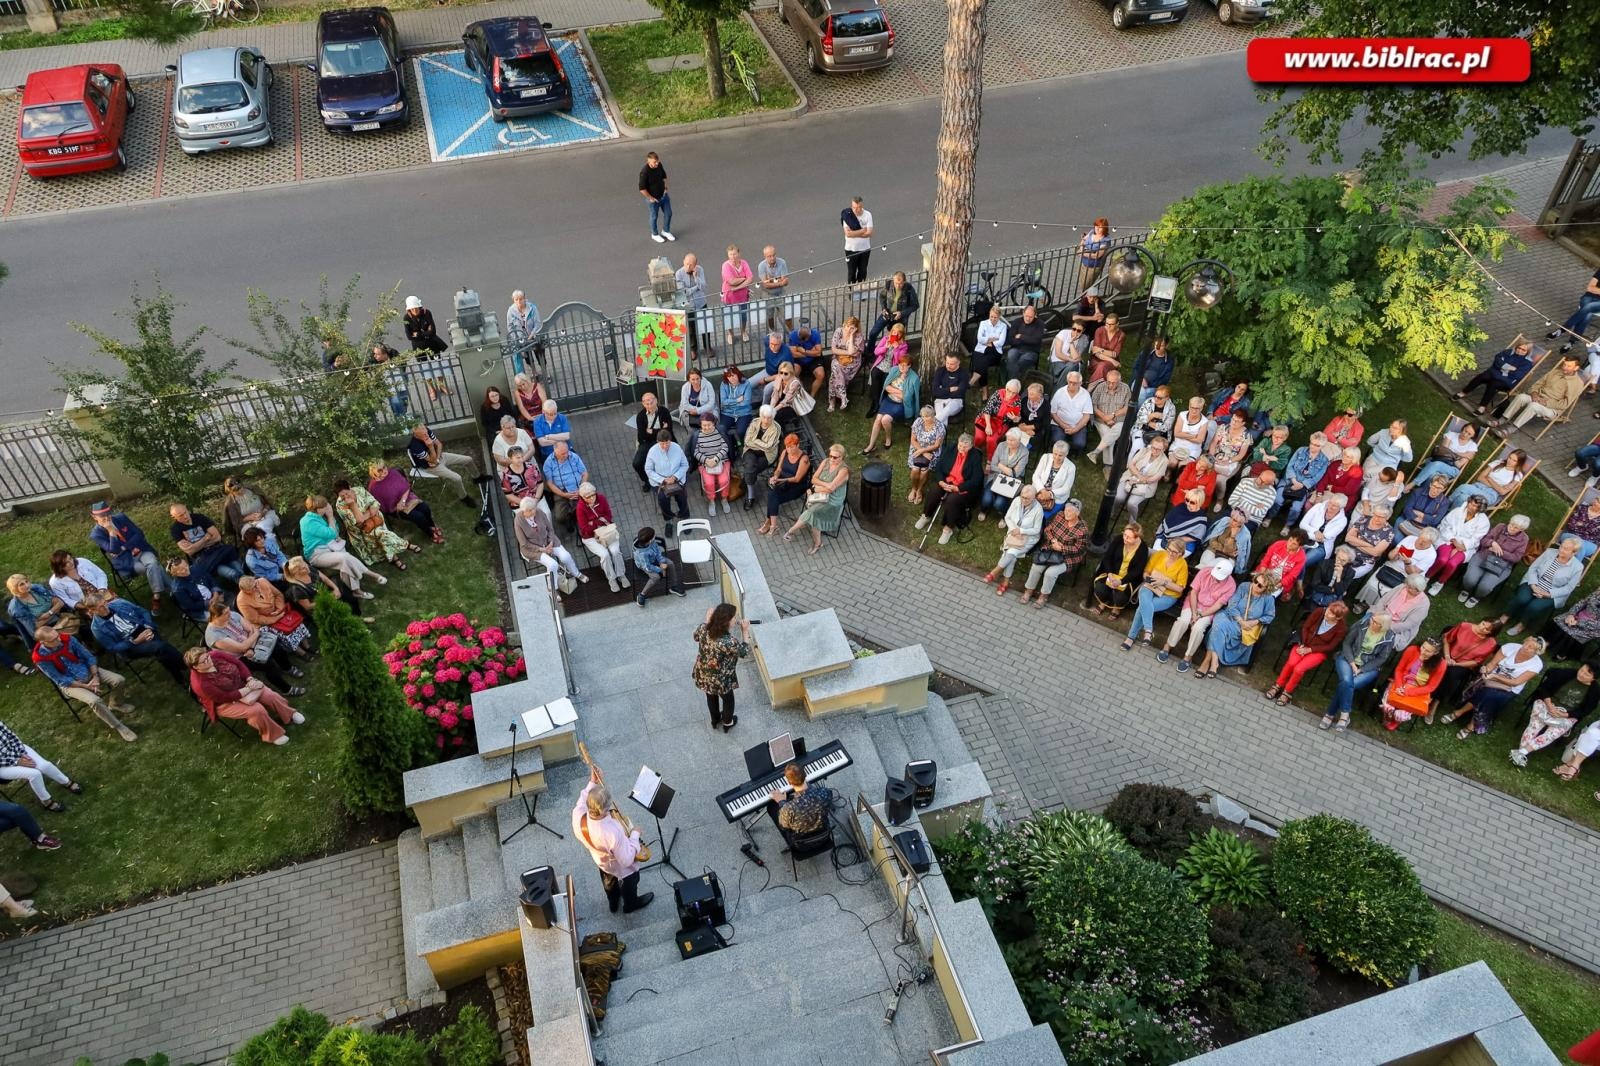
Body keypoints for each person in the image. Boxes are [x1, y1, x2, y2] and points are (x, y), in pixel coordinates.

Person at [32, 625, 136, 742]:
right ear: (43, 642)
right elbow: (60, 679)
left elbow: (88, 656)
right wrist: (86, 686)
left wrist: (95, 676)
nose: (59, 640)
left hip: (88, 670)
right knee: (95, 701)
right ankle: (119, 727)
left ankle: (115, 704)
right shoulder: (40, 658)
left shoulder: (68, 639)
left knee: (119, 680)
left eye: (57, 636)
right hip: (71, 683)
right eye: (54, 640)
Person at [574, 765, 655, 914]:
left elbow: (584, 796)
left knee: (609, 881)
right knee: (631, 881)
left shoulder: (578, 815)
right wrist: (635, 835)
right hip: (620, 866)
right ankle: (630, 904)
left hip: (601, 861)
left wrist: (593, 781)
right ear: (605, 810)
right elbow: (626, 859)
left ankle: (613, 902)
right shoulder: (612, 831)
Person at [186, 647, 303, 746]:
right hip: (224, 703)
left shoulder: (215, 654)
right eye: (204, 661)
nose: (208, 660)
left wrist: (249, 678)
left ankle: (289, 714)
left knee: (270, 695)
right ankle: (272, 735)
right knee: (256, 710)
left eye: (207, 656)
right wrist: (249, 688)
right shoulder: (201, 684)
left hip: (242, 683)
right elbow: (225, 697)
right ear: (195, 667)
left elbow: (238, 663)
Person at [1442, 635, 1546, 739]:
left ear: (1536, 652)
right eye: (1526, 643)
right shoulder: (1509, 647)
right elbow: (1492, 664)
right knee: (1485, 690)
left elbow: (1516, 682)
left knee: (1489, 695)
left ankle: (1460, 715)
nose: (1526, 647)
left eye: (1531, 648)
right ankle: (1469, 723)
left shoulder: (1536, 664)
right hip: (1491, 677)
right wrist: (1486, 670)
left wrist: (1495, 677)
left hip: (1510, 687)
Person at [205, 593, 304, 694]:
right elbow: (241, 648)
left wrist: (251, 644)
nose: (230, 614)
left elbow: (252, 629)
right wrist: (253, 638)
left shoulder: (232, 615)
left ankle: (287, 668)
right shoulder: (214, 635)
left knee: (276, 647)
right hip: (239, 657)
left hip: (251, 645)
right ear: (216, 617)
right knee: (268, 664)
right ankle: (287, 689)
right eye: (226, 613)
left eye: (229, 611)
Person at [83, 592, 186, 685]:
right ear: (92, 610)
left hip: (144, 629)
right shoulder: (97, 627)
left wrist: (148, 626)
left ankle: (179, 676)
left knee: (161, 650)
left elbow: (143, 612)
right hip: (130, 646)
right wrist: (134, 641)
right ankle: (186, 665)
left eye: (105, 602)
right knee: (161, 646)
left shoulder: (119, 603)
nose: (105, 607)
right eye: (100, 607)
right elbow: (112, 647)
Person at [1509, 663, 1598, 766]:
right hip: (1546, 704)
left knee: (1552, 734)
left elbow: (1586, 710)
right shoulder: (1565, 674)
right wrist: (1549, 705)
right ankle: (1522, 752)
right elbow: (1544, 688)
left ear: (1593, 679)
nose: (1581, 674)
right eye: (1581, 670)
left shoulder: (1594, 691)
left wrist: (1565, 714)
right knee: (1534, 726)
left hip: (1566, 714)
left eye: (1586, 674)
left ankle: (1522, 751)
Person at [1320, 612, 1396, 732]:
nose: (1371, 622)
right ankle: (1345, 714)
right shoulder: (1361, 624)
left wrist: (1362, 669)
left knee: (1347, 685)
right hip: (1347, 658)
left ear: (1382, 627)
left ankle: (1330, 713)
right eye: (1372, 619)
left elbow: (1381, 659)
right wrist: (1352, 664)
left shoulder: (1389, 637)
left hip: (1368, 667)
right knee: (1346, 681)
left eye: (1375, 622)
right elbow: (1347, 643)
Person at [1157, 558, 1236, 673]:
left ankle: (1188, 657)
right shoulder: (1204, 572)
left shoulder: (1231, 585)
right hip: (1193, 603)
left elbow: (1218, 605)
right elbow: (1194, 592)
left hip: (1209, 610)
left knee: (1198, 628)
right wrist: (1194, 613)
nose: (1215, 578)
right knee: (1183, 621)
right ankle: (1168, 646)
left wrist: (1201, 615)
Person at [1266, 601, 1350, 704]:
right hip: (1303, 643)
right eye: (1328, 609)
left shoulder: (1341, 628)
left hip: (1319, 651)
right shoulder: (1319, 611)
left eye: (1331, 613)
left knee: (1298, 669)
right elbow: (1305, 627)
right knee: (1292, 663)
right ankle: (1278, 685)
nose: (1327, 613)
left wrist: (1310, 650)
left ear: (1338, 618)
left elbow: (1331, 646)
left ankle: (1287, 691)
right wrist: (1303, 643)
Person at [1499, 536, 1585, 636]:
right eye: (1561, 546)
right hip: (1534, 582)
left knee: (1534, 606)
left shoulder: (1578, 567)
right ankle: (1505, 616)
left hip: (1552, 593)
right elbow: (1533, 568)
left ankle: (1521, 624)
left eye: (1566, 549)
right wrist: (1533, 585)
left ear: (1573, 552)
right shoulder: (1549, 552)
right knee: (1522, 598)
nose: (1561, 550)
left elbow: (1569, 588)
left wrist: (1547, 594)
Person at [1197, 572, 1278, 677]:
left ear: (1266, 589)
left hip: (1245, 626)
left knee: (1216, 630)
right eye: (1255, 581)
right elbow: (1232, 604)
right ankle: (1212, 663)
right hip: (1230, 616)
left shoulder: (1268, 599)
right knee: (1219, 624)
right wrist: (1240, 620)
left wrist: (1255, 621)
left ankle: (1207, 661)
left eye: (1260, 585)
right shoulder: (1244, 586)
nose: (1255, 585)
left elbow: (1269, 616)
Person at [300, 496, 381, 599]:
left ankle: (356, 591)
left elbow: (335, 530)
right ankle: (370, 574)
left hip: (329, 546)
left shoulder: (320, 516)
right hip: (316, 555)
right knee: (344, 557)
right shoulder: (308, 522)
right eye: (326, 506)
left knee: (345, 561)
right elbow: (332, 533)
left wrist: (331, 519)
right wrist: (330, 516)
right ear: (319, 509)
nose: (328, 508)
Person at [88, 503, 165, 611]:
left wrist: (124, 547)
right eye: (102, 516)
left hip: (140, 550)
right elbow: (114, 550)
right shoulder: (96, 534)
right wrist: (111, 532)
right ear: (94, 516)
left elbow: (139, 533)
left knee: (152, 564)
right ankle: (173, 589)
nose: (106, 518)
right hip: (125, 560)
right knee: (152, 567)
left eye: (108, 514)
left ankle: (156, 596)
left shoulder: (121, 518)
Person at [1122, 535, 1189, 648]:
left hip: (1168, 595)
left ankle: (1131, 637)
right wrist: (1150, 579)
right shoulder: (1159, 555)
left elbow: (1179, 588)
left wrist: (1163, 582)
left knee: (1142, 607)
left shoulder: (1182, 565)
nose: (1171, 553)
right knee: (1144, 596)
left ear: (1181, 553)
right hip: (1151, 586)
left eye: (1175, 552)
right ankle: (1148, 630)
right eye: (1169, 549)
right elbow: (1146, 572)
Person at [693, 602, 752, 731]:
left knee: (710, 696)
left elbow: (696, 637)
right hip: (721, 679)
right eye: (734, 618)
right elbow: (743, 652)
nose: (736, 620)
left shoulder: (703, 628)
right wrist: (745, 631)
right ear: (726, 622)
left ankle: (715, 720)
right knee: (728, 699)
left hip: (703, 673)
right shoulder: (729, 642)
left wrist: (707, 622)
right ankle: (727, 722)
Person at [917, 434, 984, 546]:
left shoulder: (975, 456)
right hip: (947, 480)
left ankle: (948, 529)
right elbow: (939, 467)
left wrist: (958, 487)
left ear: (971, 446)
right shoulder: (951, 448)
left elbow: (977, 479)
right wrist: (941, 482)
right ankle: (926, 515)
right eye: (960, 446)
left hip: (962, 486)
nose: (961, 449)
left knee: (952, 500)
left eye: (965, 447)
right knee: (934, 491)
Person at [1020, 498, 1089, 607]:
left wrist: (1062, 548)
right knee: (1036, 566)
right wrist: (1053, 541)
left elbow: (1078, 549)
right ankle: (1029, 590)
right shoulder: (1060, 515)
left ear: (1078, 513)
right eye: (1066, 509)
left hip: (1068, 556)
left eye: (1071, 511)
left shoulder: (1082, 529)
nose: (1067, 512)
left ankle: (1043, 596)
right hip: (1051, 548)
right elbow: (1048, 530)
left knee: (1050, 573)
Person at [0, 719, 80, 811]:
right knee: (34, 774)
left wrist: (21, 752)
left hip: (17, 751)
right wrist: (16, 761)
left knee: (44, 766)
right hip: (2, 766)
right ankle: (46, 801)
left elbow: (11, 736)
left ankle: (66, 782)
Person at [1491, 357, 1585, 434]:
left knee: (1533, 406)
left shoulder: (1577, 384)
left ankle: (1511, 428)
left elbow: (1565, 404)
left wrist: (1546, 402)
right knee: (1521, 397)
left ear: (1576, 368)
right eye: (1564, 364)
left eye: (1569, 366)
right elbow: (1538, 383)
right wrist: (1534, 393)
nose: (1564, 367)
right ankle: (1502, 419)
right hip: (1538, 397)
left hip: (1552, 408)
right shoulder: (1555, 372)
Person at [335, 480, 415, 569]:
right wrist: (353, 505)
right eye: (342, 496)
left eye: (346, 493)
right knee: (381, 534)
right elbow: (359, 522)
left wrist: (368, 513)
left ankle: (395, 556)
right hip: (362, 530)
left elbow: (374, 503)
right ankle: (404, 547)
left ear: (349, 487)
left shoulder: (359, 490)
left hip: (375, 519)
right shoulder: (340, 506)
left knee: (381, 534)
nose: (346, 497)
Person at [787, 445, 850, 554]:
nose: (832, 459)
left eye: (835, 457)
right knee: (813, 514)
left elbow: (831, 489)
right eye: (830, 456)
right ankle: (817, 543)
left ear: (842, 457)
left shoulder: (843, 470)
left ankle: (791, 531)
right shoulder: (826, 462)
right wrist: (824, 485)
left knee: (811, 512)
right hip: (821, 495)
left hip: (833, 500)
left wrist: (817, 488)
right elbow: (813, 479)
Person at [1459, 514, 1532, 608]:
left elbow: (1516, 557)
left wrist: (1500, 552)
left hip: (1501, 565)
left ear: (1521, 530)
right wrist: (1492, 543)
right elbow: (1484, 540)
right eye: (1511, 524)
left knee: (1485, 587)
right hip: (1483, 556)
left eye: (1516, 527)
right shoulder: (1500, 527)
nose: (1512, 528)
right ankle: (1466, 590)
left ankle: (1477, 596)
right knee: (1470, 579)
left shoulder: (1524, 539)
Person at [1434, 619, 1503, 717]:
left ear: (1491, 633)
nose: (1482, 628)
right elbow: (1447, 639)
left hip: (1464, 665)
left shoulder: (1491, 643)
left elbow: (1476, 662)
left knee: (1451, 674)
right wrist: (1447, 656)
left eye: (1487, 629)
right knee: (1439, 666)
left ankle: (1435, 702)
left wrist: (1456, 664)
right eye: (1483, 623)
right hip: (1447, 654)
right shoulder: (1464, 626)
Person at [984, 486, 1044, 595]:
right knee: (1011, 556)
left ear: (1034, 498)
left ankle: (994, 572)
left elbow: (1036, 530)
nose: (1024, 500)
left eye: (1027, 498)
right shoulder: (1017, 501)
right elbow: (1007, 517)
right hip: (1013, 534)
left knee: (1010, 553)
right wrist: (1013, 530)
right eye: (1022, 497)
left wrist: (1021, 531)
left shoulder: (1038, 509)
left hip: (1028, 538)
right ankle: (1005, 583)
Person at [1377, 637, 1447, 730]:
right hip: (1402, 682)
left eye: (1428, 651)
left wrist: (1408, 692)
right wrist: (1399, 686)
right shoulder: (1412, 650)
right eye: (1423, 647)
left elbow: (1431, 687)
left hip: (1418, 690)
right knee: (1388, 705)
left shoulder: (1441, 664)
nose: (1423, 652)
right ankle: (1388, 716)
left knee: (1401, 714)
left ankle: (1396, 720)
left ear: (1435, 653)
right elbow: (1399, 670)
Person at [1426, 496, 1492, 594]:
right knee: (1442, 559)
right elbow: (1444, 526)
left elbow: (1476, 539)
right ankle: (1427, 577)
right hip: (1448, 540)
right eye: (1470, 503)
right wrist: (1454, 540)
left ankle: (1440, 583)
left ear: (1479, 509)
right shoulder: (1457, 511)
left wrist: (1461, 546)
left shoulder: (1484, 522)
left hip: (1465, 547)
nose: (1470, 506)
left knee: (1452, 563)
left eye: (1474, 506)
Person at [513, 497, 585, 585]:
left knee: (565, 556)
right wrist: (542, 549)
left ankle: (576, 573)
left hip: (549, 542)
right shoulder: (518, 521)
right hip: (533, 549)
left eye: (534, 509)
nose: (534, 512)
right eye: (530, 510)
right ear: (524, 511)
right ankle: (553, 588)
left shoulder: (539, 512)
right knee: (552, 565)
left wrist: (550, 542)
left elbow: (550, 529)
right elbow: (524, 543)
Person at [368, 460, 441, 546]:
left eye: (384, 467)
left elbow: (406, 487)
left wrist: (402, 500)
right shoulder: (374, 488)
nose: (384, 470)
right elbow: (384, 506)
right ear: (374, 473)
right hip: (395, 508)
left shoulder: (393, 473)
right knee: (419, 517)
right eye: (380, 470)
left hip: (407, 498)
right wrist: (398, 506)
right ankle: (431, 534)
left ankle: (432, 526)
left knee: (425, 507)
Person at [235, 576, 313, 656]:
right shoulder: (242, 601)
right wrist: (275, 618)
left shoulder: (262, 581)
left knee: (295, 622)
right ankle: (301, 653)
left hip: (278, 610)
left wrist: (279, 609)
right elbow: (255, 619)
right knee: (282, 633)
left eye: (256, 584)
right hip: (265, 622)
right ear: (245, 591)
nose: (257, 587)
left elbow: (278, 594)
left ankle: (307, 646)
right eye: (253, 588)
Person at [168, 503, 243, 586]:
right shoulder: (175, 529)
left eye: (185, 512)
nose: (185, 516)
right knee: (232, 573)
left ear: (186, 508)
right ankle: (248, 585)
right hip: (203, 557)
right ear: (174, 517)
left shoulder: (199, 518)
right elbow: (190, 551)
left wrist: (195, 546)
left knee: (239, 570)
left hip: (217, 549)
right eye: (180, 516)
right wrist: (206, 537)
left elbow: (217, 537)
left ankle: (246, 584)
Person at [575, 483, 629, 593]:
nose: (592, 498)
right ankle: (611, 578)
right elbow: (585, 528)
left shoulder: (601, 498)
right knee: (605, 555)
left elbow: (608, 516)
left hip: (607, 531)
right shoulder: (580, 508)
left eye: (593, 495)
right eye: (588, 497)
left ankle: (621, 574)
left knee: (615, 551)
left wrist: (593, 523)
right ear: (582, 497)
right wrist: (600, 521)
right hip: (591, 537)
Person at [1456, 338, 1535, 414]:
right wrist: (1508, 368)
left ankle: (1482, 407)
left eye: (1523, 350)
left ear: (1527, 352)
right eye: (1519, 348)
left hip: (1506, 382)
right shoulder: (1509, 352)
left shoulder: (1527, 363)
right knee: (1483, 376)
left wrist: (1502, 367)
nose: (1519, 351)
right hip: (1497, 374)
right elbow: (1497, 359)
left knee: (1493, 383)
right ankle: (1463, 392)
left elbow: (1517, 375)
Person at [864, 350, 919, 455]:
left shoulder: (914, 378)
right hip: (889, 400)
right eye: (900, 364)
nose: (901, 367)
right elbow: (886, 386)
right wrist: (900, 392)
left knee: (885, 420)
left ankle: (888, 439)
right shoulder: (894, 370)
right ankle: (871, 445)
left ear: (909, 366)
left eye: (904, 365)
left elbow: (907, 397)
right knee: (878, 419)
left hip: (901, 404)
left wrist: (895, 391)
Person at [407, 423, 477, 505]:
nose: (426, 434)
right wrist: (431, 447)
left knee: (468, 459)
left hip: (438, 457)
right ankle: (464, 497)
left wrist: (437, 457)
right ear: (416, 434)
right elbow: (431, 461)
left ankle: (477, 477)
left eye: (426, 430)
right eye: (424, 434)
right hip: (430, 467)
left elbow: (439, 444)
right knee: (457, 478)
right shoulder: (415, 446)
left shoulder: (426, 431)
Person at [283, 555, 362, 625]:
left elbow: (325, 578)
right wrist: (328, 598)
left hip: (327, 594)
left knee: (348, 595)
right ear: (297, 573)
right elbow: (308, 607)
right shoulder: (296, 589)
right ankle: (350, 623)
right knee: (337, 611)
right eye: (303, 568)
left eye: (305, 564)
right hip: (319, 606)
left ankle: (358, 618)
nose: (307, 567)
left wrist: (336, 589)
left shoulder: (309, 569)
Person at [758, 434, 812, 536]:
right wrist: (775, 476)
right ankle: (772, 525)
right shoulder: (784, 452)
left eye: (792, 447)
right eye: (787, 447)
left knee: (772, 496)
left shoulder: (804, 459)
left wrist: (780, 479)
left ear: (798, 445)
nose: (789, 449)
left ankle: (769, 523)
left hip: (796, 487)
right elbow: (779, 469)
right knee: (772, 494)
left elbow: (797, 479)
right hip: (781, 483)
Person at [1092, 523, 1148, 618]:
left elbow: (1137, 570)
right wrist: (1109, 573)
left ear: (1136, 538)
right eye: (1124, 535)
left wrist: (1121, 581)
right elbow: (1107, 557)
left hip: (1128, 578)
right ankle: (1104, 602)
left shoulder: (1143, 549)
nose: (1125, 538)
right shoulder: (1118, 540)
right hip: (1112, 573)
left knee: (1121, 597)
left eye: (1129, 537)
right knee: (1100, 588)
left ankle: (1117, 608)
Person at [402, 296, 451, 400]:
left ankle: (441, 386)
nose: (415, 310)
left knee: (437, 364)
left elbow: (433, 331)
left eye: (417, 308)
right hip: (419, 348)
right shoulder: (406, 318)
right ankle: (431, 389)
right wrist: (425, 332)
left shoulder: (427, 312)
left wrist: (418, 334)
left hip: (432, 344)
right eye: (413, 308)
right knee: (425, 369)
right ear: (409, 309)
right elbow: (409, 336)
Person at [1114, 436, 1171, 522]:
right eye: (1153, 447)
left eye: (1158, 449)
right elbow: (1131, 465)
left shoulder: (1165, 461)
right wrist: (1138, 475)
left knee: (1131, 503)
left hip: (1147, 485)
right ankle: (1111, 512)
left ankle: (1132, 521)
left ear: (1164, 449)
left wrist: (1138, 480)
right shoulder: (1143, 451)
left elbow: (1156, 478)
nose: (1155, 450)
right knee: (1118, 497)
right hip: (1130, 477)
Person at [978, 428, 1031, 521]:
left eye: (1012, 440)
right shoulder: (1001, 445)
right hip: (996, 476)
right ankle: (984, 510)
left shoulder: (1024, 452)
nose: (1009, 442)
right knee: (986, 499)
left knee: (999, 503)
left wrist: (1000, 465)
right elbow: (993, 465)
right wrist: (1007, 470)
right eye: (1008, 439)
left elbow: (1016, 473)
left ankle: (1004, 515)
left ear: (1019, 440)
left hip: (1012, 482)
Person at [768, 762, 834, 834]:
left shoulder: (788, 809)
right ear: (805, 775)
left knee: (771, 807)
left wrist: (781, 802)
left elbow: (783, 826)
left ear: (789, 782)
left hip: (803, 840)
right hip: (823, 831)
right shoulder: (825, 793)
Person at [1410, 423, 1481, 490]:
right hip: (1438, 459)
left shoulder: (1472, 446)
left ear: (1473, 436)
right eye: (1465, 430)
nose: (1465, 434)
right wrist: (1460, 455)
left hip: (1452, 469)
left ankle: (1412, 484)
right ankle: (1423, 494)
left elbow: (1459, 464)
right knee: (1433, 475)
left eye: (1469, 434)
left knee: (1436, 465)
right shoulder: (1451, 435)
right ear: (1463, 427)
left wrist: (1451, 452)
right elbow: (1443, 451)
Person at [7, 574, 78, 640]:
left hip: (61, 617)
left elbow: (60, 602)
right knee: (72, 637)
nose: (27, 585)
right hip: (47, 630)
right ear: (15, 589)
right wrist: (54, 609)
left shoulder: (36, 589)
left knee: (80, 629)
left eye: (26, 581)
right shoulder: (17, 607)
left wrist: (47, 614)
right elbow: (35, 627)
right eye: (22, 584)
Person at [643, 429, 692, 524]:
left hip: (677, 480)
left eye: (667, 443)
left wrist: (675, 477)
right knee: (663, 499)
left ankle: (684, 517)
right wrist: (663, 480)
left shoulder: (677, 448)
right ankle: (669, 520)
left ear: (670, 440)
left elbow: (685, 465)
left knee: (682, 498)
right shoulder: (652, 452)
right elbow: (648, 470)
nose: (665, 446)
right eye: (662, 444)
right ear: (658, 442)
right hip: (660, 482)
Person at [1450, 450, 1528, 510]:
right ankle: (1448, 512)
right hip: (1478, 486)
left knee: (1464, 487)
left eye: (1514, 460)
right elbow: (1480, 477)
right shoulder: (1498, 463)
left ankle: (1444, 503)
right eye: (1510, 457)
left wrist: (1489, 478)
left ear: (1519, 463)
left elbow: (1503, 492)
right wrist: (1498, 486)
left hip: (1491, 495)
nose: (1509, 461)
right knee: (1462, 498)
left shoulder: (1517, 475)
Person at [1372, 573, 1433, 649]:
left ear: (1418, 591)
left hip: (1396, 627)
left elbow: (1407, 625)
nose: (1407, 588)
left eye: (1410, 587)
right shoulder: (1402, 587)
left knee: (1376, 639)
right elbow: (1383, 600)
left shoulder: (1423, 604)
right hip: (1381, 615)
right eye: (1407, 585)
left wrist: (1386, 626)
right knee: (1363, 625)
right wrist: (1378, 614)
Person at [630, 391, 676, 491]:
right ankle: (647, 480)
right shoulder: (640, 416)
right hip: (647, 442)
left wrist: (651, 431)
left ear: (656, 401)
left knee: (673, 458)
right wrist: (660, 431)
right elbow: (642, 434)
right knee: (637, 463)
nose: (650, 405)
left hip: (664, 440)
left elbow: (668, 430)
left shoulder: (664, 411)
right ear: (643, 404)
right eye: (647, 403)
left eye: (652, 402)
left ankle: (673, 479)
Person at [1206, 411, 1253, 506]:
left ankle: (1220, 500)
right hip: (1216, 456)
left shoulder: (1246, 436)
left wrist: (1228, 462)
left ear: (1243, 423)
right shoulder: (1223, 428)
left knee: (1220, 479)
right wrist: (1212, 457)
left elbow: (1241, 455)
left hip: (1232, 461)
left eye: (1237, 421)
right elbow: (1213, 444)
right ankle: (1203, 494)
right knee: (1205, 468)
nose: (1233, 422)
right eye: (1233, 419)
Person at [1085, 369, 1131, 466]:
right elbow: (1093, 405)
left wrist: (1113, 415)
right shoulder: (1100, 387)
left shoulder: (1126, 388)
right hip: (1101, 420)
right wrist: (1104, 418)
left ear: (1120, 381)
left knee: (1116, 430)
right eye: (1108, 382)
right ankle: (1108, 466)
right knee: (1109, 438)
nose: (1110, 385)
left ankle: (1095, 452)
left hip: (1119, 421)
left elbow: (1127, 408)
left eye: (1113, 383)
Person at [1547, 267, 1600, 352]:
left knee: (1588, 308)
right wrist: (1594, 290)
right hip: (1589, 296)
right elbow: (1590, 288)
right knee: (1587, 314)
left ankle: (1562, 329)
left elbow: (1593, 288)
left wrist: (1596, 289)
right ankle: (1572, 342)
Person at [863, 321, 909, 419]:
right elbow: (876, 352)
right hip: (881, 364)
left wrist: (896, 349)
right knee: (875, 374)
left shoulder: (903, 345)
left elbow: (899, 362)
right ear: (891, 331)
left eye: (898, 333)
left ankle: (881, 402)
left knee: (885, 381)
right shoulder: (886, 339)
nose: (895, 334)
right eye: (894, 331)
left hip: (892, 368)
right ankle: (875, 403)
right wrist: (885, 347)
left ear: (902, 334)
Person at [972, 379, 1025, 462]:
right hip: (986, 419)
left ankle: (990, 460)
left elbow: (1017, 418)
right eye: (1009, 391)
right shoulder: (998, 394)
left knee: (991, 440)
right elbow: (987, 410)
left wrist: (1015, 419)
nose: (1011, 394)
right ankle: (974, 451)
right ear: (1006, 388)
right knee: (979, 437)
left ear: (1017, 392)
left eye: (1014, 392)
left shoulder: (1017, 400)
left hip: (1001, 423)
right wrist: (988, 426)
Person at [690, 416, 733, 517]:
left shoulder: (720, 432)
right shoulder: (697, 435)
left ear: (714, 424)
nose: (707, 427)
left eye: (709, 425)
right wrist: (706, 460)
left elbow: (725, 447)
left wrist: (716, 459)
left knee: (724, 480)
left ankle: (724, 499)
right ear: (701, 425)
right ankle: (712, 500)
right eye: (704, 425)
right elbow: (695, 452)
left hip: (721, 461)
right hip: (705, 463)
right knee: (709, 483)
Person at [741, 407, 782, 513]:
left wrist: (755, 441)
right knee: (750, 467)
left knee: (750, 470)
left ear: (772, 417)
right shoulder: (755, 422)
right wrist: (760, 444)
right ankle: (751, 495)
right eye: (764, 417)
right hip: (750, 450)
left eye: (769, 418)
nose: (766, 420)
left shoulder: (776, 428)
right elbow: (747, 441)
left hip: (767, 455)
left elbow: (769, 447)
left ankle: (746, 483)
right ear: (760, 415)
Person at [868, 271, 918, 355]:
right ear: (893, 280)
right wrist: (883, 308)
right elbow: (882, 296)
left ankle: (890, 357)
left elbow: (915, 305)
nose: (898, 286)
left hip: (900, 318)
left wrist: (902, 313)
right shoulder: (888, 285)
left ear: (904, 282)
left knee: (895, 339)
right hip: (888, 313)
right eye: (896, 283)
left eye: (901, 284)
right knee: (873, 333)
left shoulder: (909, 289)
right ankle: (869, 353)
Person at [541, 440, 589, 530]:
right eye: (563, 454)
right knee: (560, 517)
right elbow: (550, 484)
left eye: (567, 452)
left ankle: (577, 518)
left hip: (577, 487)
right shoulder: (548, 463)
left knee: (585, 509)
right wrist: (563, 495)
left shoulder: (574, 456)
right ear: (555, 451)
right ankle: (570, 518)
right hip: (561, 491)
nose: (566, 455)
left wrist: (581, 489)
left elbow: (585, 473)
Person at [631, 528, 684, 606]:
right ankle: (642, 594)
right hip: (644, 565)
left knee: (671, 563)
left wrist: (661, 562)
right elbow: (647, 567)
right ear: (649, 540)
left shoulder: (651, 542)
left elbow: (658, 552)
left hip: (654, 559)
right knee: (656, 577)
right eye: (653, 536)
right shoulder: (642, 554)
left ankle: (673, 587)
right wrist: (660, 569)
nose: (654, 537)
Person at [1298, 493, 1349, 572]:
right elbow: (1302, 524)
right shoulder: (1318, 506)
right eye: (1330, 502)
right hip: (1306, 537)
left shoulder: (1342, 520)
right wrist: (1315, 531)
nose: (1330, 506)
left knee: (1303, 562)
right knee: (1291, 554)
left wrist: (1312, 535)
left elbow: (1324, 538)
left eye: (1334, 506)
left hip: (1322, 546)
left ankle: (1288, 579)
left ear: (1341, 508)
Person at [906, 406, 946, 506]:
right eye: (923, 416)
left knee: (924, 471)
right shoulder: (918, 422)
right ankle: (913, 488)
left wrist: (924, 451)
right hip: (917, 448)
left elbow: (937, 445)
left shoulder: (940, 426)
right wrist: (922, 452)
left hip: (932, 451)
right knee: (915, 469)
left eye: (927, 416)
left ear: (933, 415)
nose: (924, 419)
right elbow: (913, 440)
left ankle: (919, 490)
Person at [1344, 503, 1395, 581]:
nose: (1376, 519)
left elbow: (1375, 553)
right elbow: (1348, 538)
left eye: (1381, 517)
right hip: (1348, 552)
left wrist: (1355, 541)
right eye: (1375, 515)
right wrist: (1368, 545)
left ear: (1388, 517)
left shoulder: (1389, 532)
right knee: (1333, 570)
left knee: (1346, 575)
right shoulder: (1364, 519)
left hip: (1365, 561)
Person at [826, 316, 867, 412]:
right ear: (845, 324)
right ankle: (843, 397)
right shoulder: (839, 331)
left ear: (856, 328)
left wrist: (852, 336)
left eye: (852, 327)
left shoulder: (859, 336)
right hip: (838, 359)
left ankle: (832, 402)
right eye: (848, 326)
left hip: (852, 363)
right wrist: (848, 352)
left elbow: (852, 352)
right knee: (836, 366)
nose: (849, 329)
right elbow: (833, 349)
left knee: (833, 376)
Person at [220, 478, 278, 544]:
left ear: (242, 485)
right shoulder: (231, 502)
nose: (239, 491)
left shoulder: (254, 490)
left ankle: (271, 551)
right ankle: (269, 552)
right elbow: (235, 522)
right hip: (247, 524)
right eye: (236, 491)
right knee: (254, 535)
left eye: (240, 488)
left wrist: (262, 513)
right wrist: (248, 518)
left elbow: (267, 504)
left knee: (263, 528)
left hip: (266, 516)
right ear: (231, 491)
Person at [1396, 474, 1453, 539]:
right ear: (1430, 484)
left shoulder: (1444, 502)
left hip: (1423, 529)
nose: (1435, 490)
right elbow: (1407, 509)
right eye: (1434, 486)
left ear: (1444, 489)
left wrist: (1419, 514)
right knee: (1397, 539)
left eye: (1439, 488)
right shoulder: (1418, 492)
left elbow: (1435, 521)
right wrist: (1426, 517)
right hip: (1406, 520)